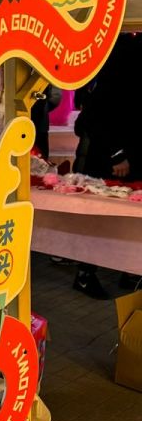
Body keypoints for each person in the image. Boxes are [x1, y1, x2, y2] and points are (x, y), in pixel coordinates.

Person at [72, 35, 142, 297]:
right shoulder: (122, 58)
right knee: (100, 219)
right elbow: (94, 116)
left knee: (130, 218)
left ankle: (129, 270)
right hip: (110, 160)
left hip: (131, 158)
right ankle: (84, 274)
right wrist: (116, 154)